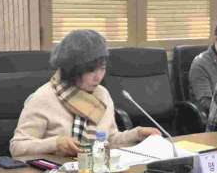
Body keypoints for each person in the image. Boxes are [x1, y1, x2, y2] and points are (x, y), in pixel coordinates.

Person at [10, 29, 159, 159]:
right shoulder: (43, 98)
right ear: (72, 70)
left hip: (96, 170)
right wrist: (55, 144)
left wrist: (137, 134)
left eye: (102, 68)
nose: (98, 77)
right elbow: (17, 147)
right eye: (90, 70)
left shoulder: (102, 94)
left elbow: (109, 139)